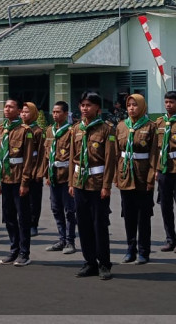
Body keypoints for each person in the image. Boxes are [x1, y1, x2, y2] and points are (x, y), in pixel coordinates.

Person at [70, 91, 118, 280]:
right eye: (82, 105)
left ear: (98, 108)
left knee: (99, 226)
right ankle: (89, 262)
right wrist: (71, 183)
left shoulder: (106, 130)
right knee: (83, 225)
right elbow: (74, 158)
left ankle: (104, 264)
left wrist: (106, 186)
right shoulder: (76, 129)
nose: (84, 108)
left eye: (89, 105)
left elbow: (110, 160)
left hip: (97, 185)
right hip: (80, 184)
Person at [0, 99, 35, 267]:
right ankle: (14, 249)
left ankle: (25, 252)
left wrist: (25, 182)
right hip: (5, 179)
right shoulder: (1, 130)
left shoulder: (25, 131)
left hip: (19, 179)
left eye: (11, 107)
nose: (7, 109)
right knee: (9, 216)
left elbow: (28, 159)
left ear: (18, 111)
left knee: (22, 217)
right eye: (5, 106)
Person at [116, 94, 156, 265]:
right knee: (129, 215)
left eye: (135, 105)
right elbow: (117, 153)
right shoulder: (120, 126)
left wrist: (150, 178)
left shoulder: (150, 126)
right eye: (129, 105)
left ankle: (144, 251)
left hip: (142, 175)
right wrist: (116, 176)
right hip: (125, 175)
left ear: (142, 106)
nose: (131, 108)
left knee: (143, 216)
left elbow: (154, 154)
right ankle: (130, 249)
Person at [156, 91, 176, 254]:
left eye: (172, 102)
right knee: (165, 206)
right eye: (166, 101)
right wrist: (156, 169)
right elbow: (156, 148)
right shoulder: (159, 122)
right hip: (163, 169)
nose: (168, 105)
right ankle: (170, 239)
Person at [44, 101, 76, 255]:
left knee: (70, 210)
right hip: (54, 176)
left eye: (58, 112)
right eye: (53, 112)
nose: (55, 114)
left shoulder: (71, 131)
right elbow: (47, 155)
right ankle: (61, 238)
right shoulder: (50, 131)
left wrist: (72, 180)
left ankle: (70, 241)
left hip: (66, 176)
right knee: (56, 209)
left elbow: (74, 157)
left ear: (66, 113)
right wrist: (47, 175)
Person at [22, 102, 45, 237]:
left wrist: (39, 171)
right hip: (20, 170)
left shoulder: (37, 131)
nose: (24, 114)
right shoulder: (19, 129)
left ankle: (33, 224)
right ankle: (24, 223)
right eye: (23, 111)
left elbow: (42, 153)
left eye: (27, 111)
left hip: (34, 168)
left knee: (34, 200)